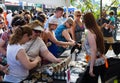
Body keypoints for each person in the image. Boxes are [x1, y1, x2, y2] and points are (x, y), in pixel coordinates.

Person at [81, 12, 107, 83]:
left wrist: (91, 68)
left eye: (83, 20)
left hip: (95, 64)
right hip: (101, 61)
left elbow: (93, 50)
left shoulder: (90, 32)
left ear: (86, 21)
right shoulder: (96, 30)